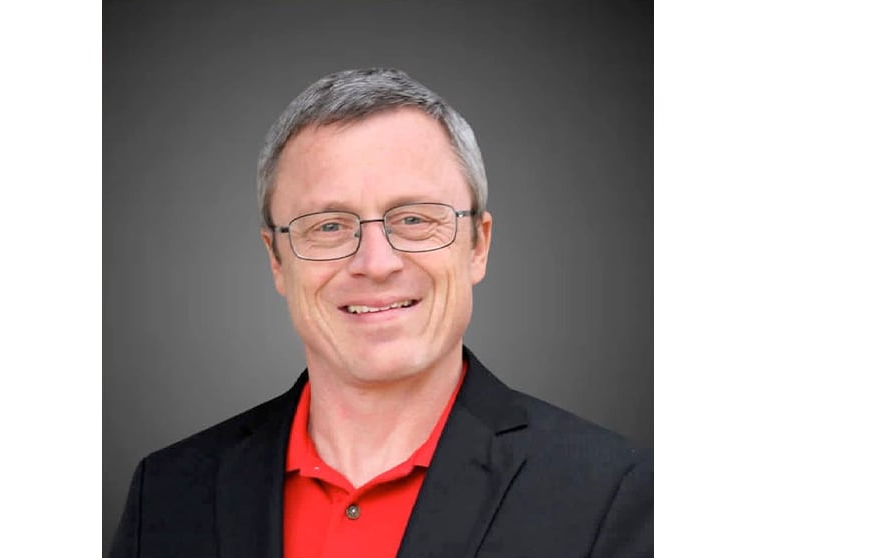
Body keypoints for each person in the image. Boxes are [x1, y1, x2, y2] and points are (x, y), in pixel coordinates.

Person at [109, 68, 652, 558]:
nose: (376, 262)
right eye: (327, 226)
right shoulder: (168, 490)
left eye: (415, 219)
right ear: (276, 260)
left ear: (478, 245)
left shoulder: (615, 491)